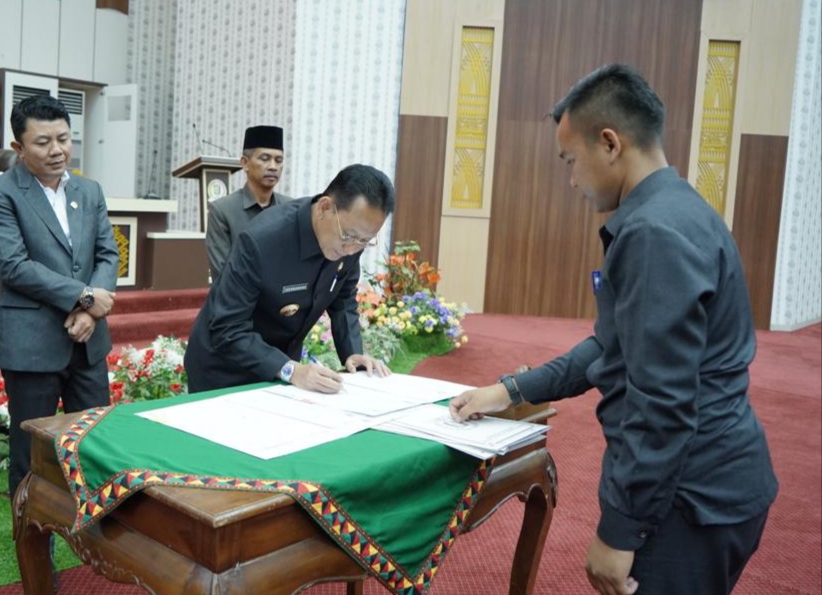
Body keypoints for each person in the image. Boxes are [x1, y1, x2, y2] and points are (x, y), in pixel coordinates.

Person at [449, 64, 778, 595]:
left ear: (610, 143)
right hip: (712, 485)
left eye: (570, 161)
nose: (572, 180)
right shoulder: (676, 210)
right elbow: (611, 348)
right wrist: (510, 391)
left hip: (691, 499)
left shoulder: (653, 233)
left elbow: (662, 401)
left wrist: (620, 530)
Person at [0, 95, 119, 497]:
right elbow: (14, 266)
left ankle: (93, 523)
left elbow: (107, 253)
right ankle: (31, 533)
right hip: (33, 343)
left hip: (88, 342)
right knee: (33, 449)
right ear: (18, 148)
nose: (57, 150)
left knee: (93, 439)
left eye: (64, 138)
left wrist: (90, 311)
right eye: (43, 142)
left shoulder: (89, 191)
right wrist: (86, 298)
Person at [185, 163, 395, 394]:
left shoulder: (351, 241)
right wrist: (291, 370)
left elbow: (343, 300)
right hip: (224, 370)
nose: (353, 249)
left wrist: (352, 352)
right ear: (325, 207)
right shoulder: (261, 241)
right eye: (350, 236)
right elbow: (228, 328)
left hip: (284, 369)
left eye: (366, 240)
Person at [206, 125, 290, 281]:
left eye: (279, 160)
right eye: (264, 159)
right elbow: (223, 273)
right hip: (237, 302)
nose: (273, 166)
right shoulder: (222, 210)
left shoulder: (291, 208)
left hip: (282, 303)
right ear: (245, 163)